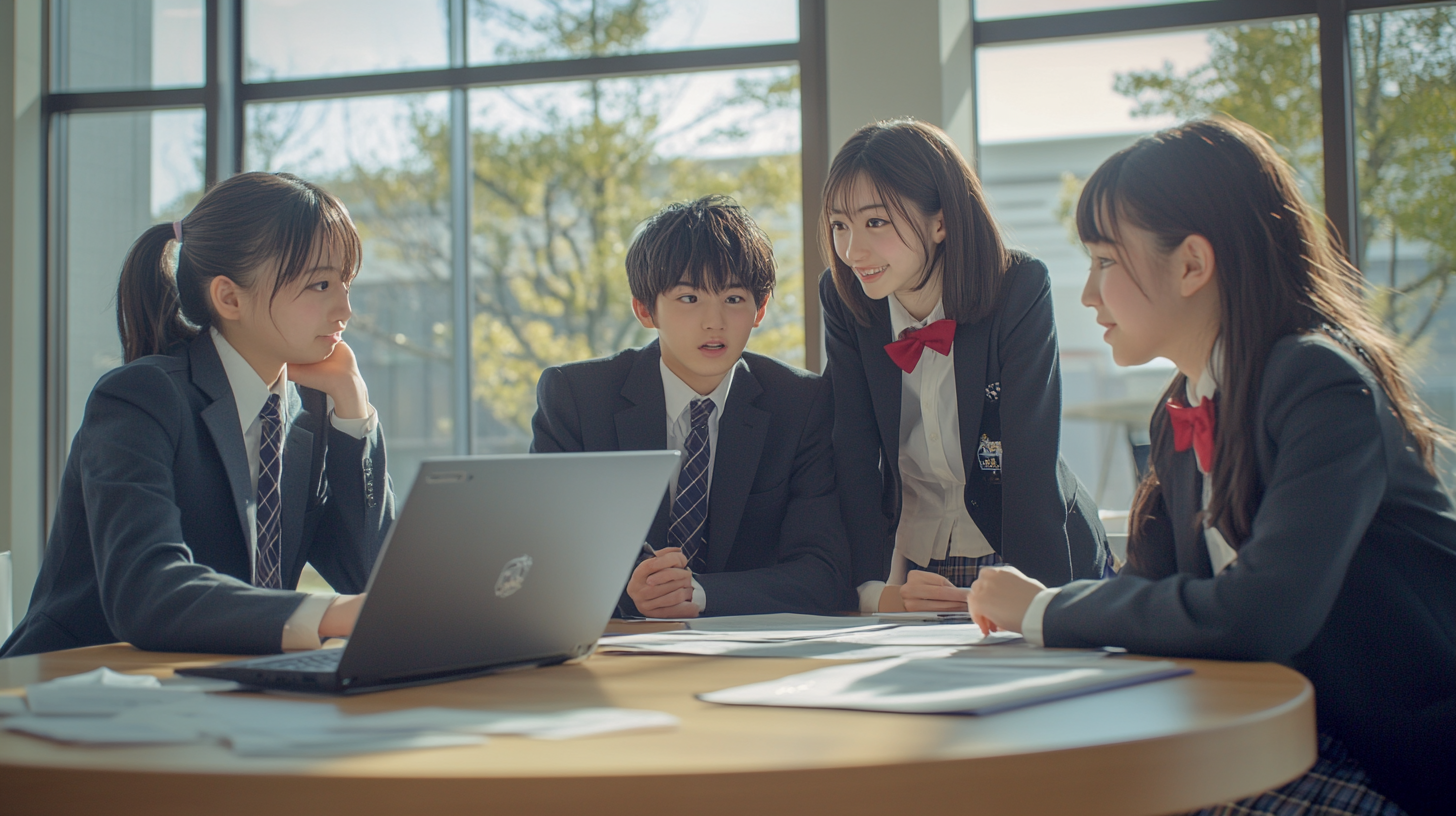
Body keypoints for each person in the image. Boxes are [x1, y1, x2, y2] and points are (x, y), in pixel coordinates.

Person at [968, 118, 1456, 816]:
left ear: (1193, 265)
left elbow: (1260, 613)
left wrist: (1043, 607)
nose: (1088, 294)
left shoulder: (1318, 381)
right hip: (1294, 733)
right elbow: (1153, 592)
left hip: (1405, 765)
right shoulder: (1181, 410)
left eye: (1106, 261)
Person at [1, 172, 394, 658]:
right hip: (69, 687)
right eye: (320, 284)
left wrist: (353, 408)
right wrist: (328, 614)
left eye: (346, 283)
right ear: (230, 298)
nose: (345, 309)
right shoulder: (141, 398)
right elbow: (147, 593)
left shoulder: (306, 410)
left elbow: (370, 578)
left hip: (215, 684)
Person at [820, 118, 1109, 614]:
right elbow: (854, 450)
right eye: (840, 225)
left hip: (1024, 551)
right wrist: (865, 589)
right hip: (914, 562)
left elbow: (1029, 461)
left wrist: (1041, 609)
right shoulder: (845, 297)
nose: (852, 251)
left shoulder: (1018, 287)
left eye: (875, 222)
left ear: (941, 220)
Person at [531, 195, 852, 617]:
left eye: (734, 299)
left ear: (761, 309)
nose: (714, 321)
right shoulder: (576, 397)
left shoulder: (801, 404)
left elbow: (823, 574)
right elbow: (545, 557)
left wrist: (697, 593)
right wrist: (635, 595)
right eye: (689, 298)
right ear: (645, 309)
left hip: (748, 656)